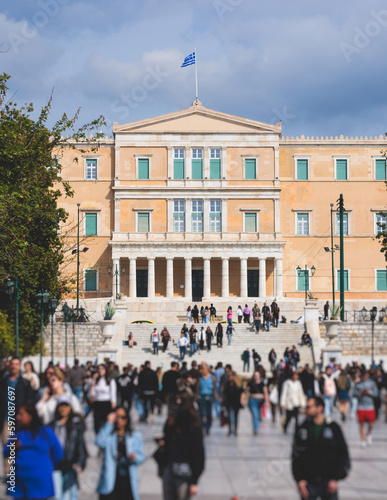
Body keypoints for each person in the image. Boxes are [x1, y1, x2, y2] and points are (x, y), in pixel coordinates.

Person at [292, 396, 350, 500]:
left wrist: (336, 478)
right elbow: (296, 456)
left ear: (320, 408)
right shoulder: (303, 429)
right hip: (308, 482)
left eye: (309, 407)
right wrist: (299, 479)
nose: (306, 410)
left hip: (328, 481)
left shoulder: (333, 427)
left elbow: (342, 454)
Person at [4, 404, 63, 499]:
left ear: (30, 416)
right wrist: (13, 447)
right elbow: (6, 452)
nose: (18, 417)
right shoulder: (17, 434)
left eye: (21, 414)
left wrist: (46, 466)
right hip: (20, 482)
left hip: (40, 482)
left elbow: (58, 453)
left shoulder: (45, 432)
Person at [158, 390, 205, 499]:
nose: (177, 404)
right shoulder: (171, 422)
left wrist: (194, 481)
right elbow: (167, 440)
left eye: (180, 400)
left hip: (184, 470)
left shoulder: (193, 424)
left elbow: (197, 452)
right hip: (169, 466)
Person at [96, 407, 145, 500]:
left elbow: (141, 457)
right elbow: (99, 442)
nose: (119, 420)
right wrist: (108, 423)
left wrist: (134, 457)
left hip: (127, 479)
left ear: (127, 419)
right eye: (116, 417)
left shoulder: (135, 436)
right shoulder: (109, 434)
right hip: (111, 479)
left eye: (122, 417)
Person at [51, 394, 87, 500]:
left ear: (70, 407)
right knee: (57, 496)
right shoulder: (52, 425)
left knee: (69, 495)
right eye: (61, 406)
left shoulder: (76, 425)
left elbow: (81, 445)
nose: (63, 408)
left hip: (70, 464)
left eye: (65, 406)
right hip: (55, 464)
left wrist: (81, 462)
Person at [353, 369, 379, 447]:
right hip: (361, 406)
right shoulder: (358, 384)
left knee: (371, 424)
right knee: (361, 424)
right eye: (363, 376)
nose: (365, 377)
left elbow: (376, 394)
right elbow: (354, 394)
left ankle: (369, 434)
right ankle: (363, 440)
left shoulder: (372, 383)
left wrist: (369, 392)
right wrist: (360, 393)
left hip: (370, 406)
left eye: (366, 376)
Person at [88, 364, 117, 434]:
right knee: (97, 423)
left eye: (102, 369)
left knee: (107, 422)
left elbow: (113, 393)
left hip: (106, 403)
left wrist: (113, 402)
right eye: (99, 369)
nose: (100, 371)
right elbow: (92, 393)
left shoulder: (110, 380)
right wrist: (93, 380)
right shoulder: (96, 381)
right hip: (97, 403)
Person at [245, 370, 269, 435]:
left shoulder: (262, 384)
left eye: (257, 375)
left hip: (260, 401)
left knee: (258, 415)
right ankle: (256, 429)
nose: (256, 377)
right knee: (255, 415)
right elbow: (245, 392)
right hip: (252, 401)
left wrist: (267, 402)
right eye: (255, 375)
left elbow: (266, 393)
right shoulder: (250, 383)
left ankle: (256, 427)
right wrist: (244, 399)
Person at [198, 362, 217, 435]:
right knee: (201, 414)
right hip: (201, 396)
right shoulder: (200, 378)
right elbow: (197, 388)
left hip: (210, 396)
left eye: (203, 369)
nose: (202, 371)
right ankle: (202, 427)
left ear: (208, 370)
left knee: (209, 414)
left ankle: (207, 428)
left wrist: (215, 395)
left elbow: (215, 387)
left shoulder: (212, 378)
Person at [223, 371, 243, 436]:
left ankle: (235, 430)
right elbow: (225, 392)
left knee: (236, 416)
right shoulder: (228, 383)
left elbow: (241, 392)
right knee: (228, 416)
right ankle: (229, 430)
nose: (229, 377)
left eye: (230, 376)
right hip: (229, 402)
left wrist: (241, 400)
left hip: (236, 402)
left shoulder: (238, 384)